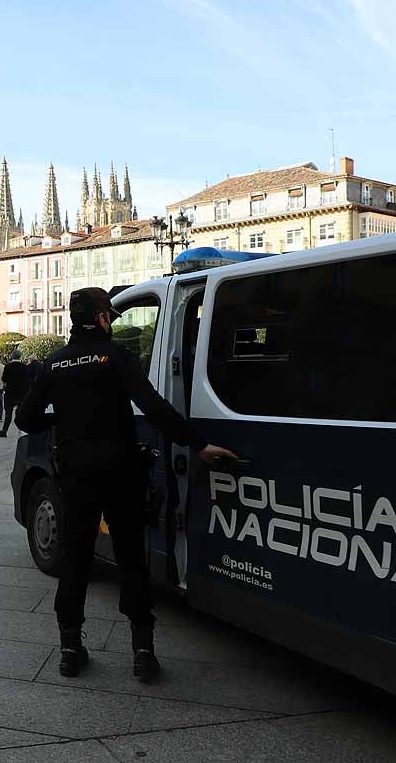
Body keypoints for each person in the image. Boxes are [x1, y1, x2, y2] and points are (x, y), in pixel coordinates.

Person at [17, 286, 237, 682]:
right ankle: (142, 652)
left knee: (75, 557)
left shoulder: (54, 363)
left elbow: (26, 419)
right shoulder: (117, 357)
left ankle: (70, 648)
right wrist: (198, 443)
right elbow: (154, 407)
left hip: (76, 475)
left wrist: (61, 422)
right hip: (120, 472)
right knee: (131, 559)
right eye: (110, 317)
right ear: (102, 318)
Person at [0, 349, 30, 438]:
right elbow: (27, 380)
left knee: (8, 413)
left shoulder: (8, 366)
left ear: (12, 356)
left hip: (10, 393)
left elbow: (4, 379)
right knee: (20, 412)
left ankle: (4, 430)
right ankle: (23, 430)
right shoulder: (25, 367)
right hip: (22, 393)